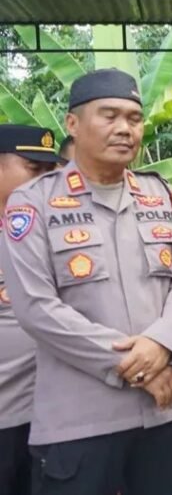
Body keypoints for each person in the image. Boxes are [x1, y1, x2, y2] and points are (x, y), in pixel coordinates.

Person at [0, 68, 172, 494]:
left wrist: (161, 342)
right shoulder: (33, 203)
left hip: (167, 411)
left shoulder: (160, 194)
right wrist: (138, 368)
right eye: (109, 115)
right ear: (73, 124)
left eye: (134, 118)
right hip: (82, 419)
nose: (124, 128)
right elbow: (37, 308)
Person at [0, 124, 63, 493]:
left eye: (50, 170)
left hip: (54, 415)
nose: (44, 180)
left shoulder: (60, 232)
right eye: (33, 169)